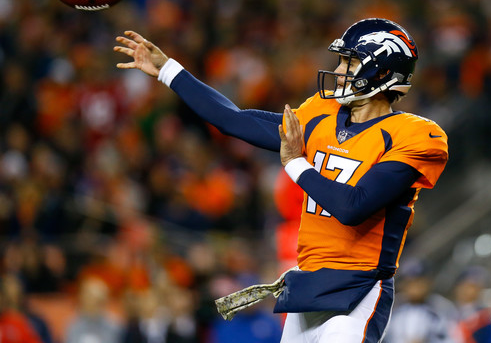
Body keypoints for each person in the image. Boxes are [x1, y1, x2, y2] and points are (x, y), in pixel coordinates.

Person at [114, 18, 449, 343]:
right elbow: (235, 120)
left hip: (358, 290)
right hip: (308, 286)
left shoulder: (416, 136)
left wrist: (295, 163)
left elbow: (353, 207)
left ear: (384, 73)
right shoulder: (322, 112)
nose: (339, 71)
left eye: (350, 63)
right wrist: (169, 71)